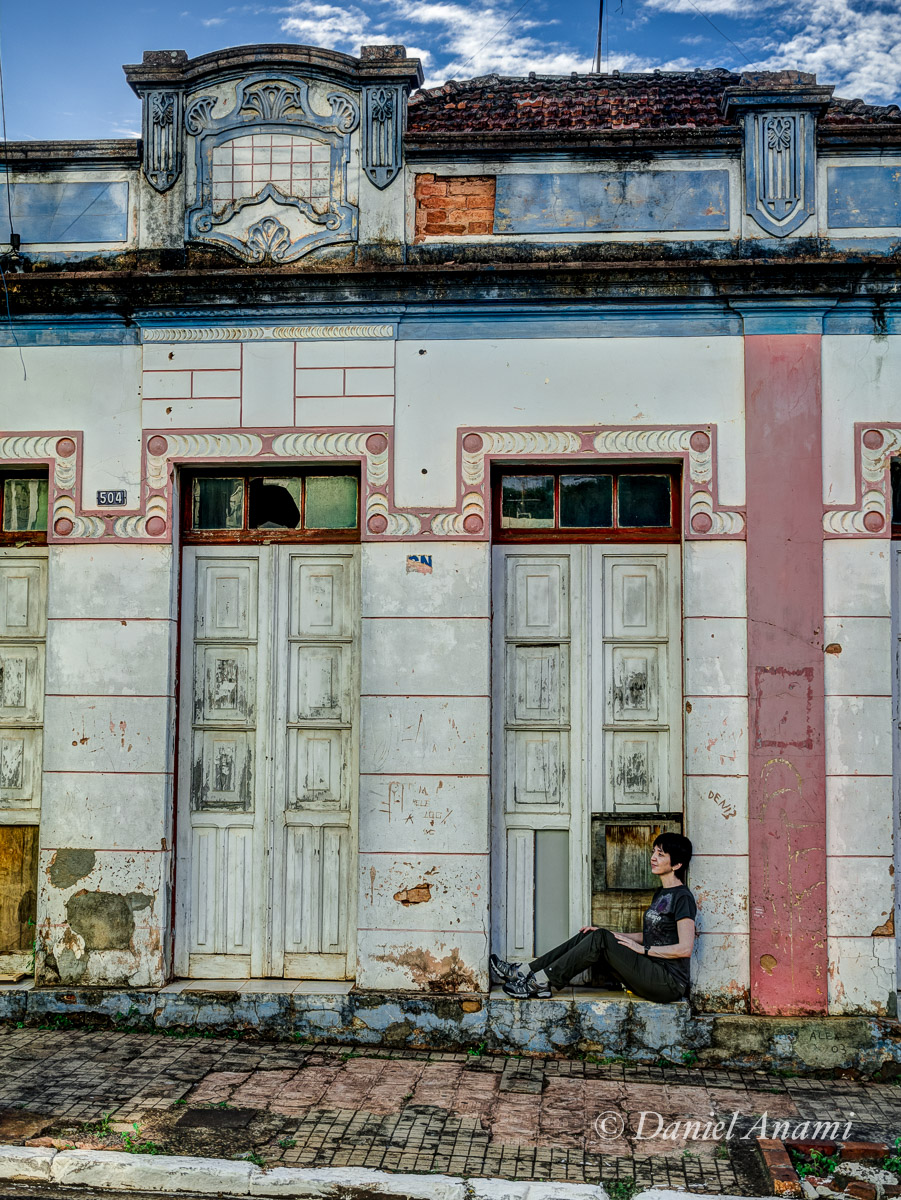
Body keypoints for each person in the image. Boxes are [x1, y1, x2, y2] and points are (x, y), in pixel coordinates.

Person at [491, 832, 695, 1002]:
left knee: (600, 939)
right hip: (649, 971)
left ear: (676, 864)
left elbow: (685, 948)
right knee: (592, 934)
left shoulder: (682, 897)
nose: (653, 857)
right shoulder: (661, 893)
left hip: (668, 983)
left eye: (660, 854)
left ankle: (540, 982)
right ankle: (524, 972)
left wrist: (643, 950)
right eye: (653, 852)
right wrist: (610, 934)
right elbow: (652, 935)